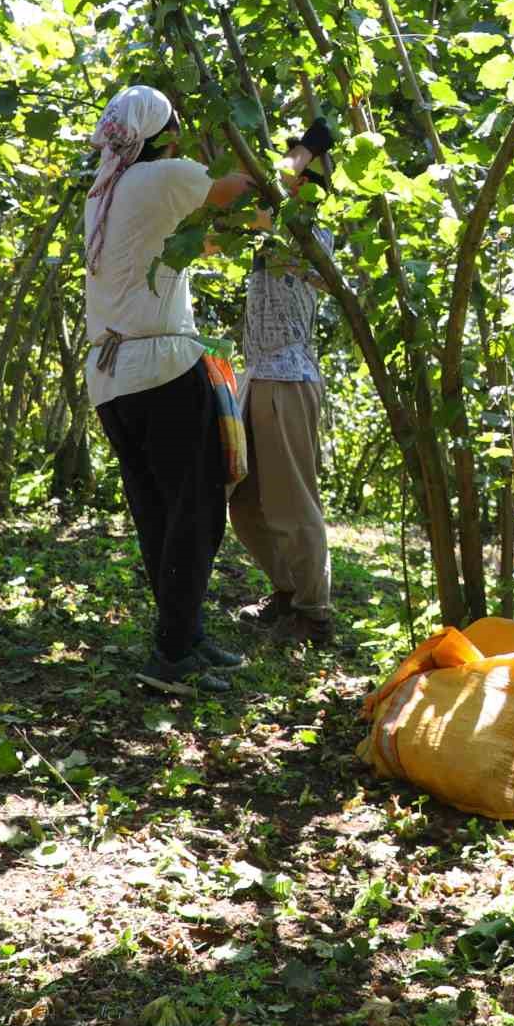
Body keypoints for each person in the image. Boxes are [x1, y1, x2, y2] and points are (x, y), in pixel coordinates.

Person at [85, 85, 258, 695]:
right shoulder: (167, 177)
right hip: (160, 368)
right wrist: (302, 159)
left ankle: (184, 633)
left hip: (112, 378)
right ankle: (172, 651)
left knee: (158, 508)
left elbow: (179, 249)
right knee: (198, 505)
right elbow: (246, 189)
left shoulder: (106, 191)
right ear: (162, 133)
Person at [230, 128, 337, 647]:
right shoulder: (273, 222)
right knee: (244, 500)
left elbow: (273, 188)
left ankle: (314, 611)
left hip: (288, 378)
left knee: (293, 502)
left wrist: (307, 149)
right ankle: (287, 590)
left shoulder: (305, 227)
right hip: (260, 375)